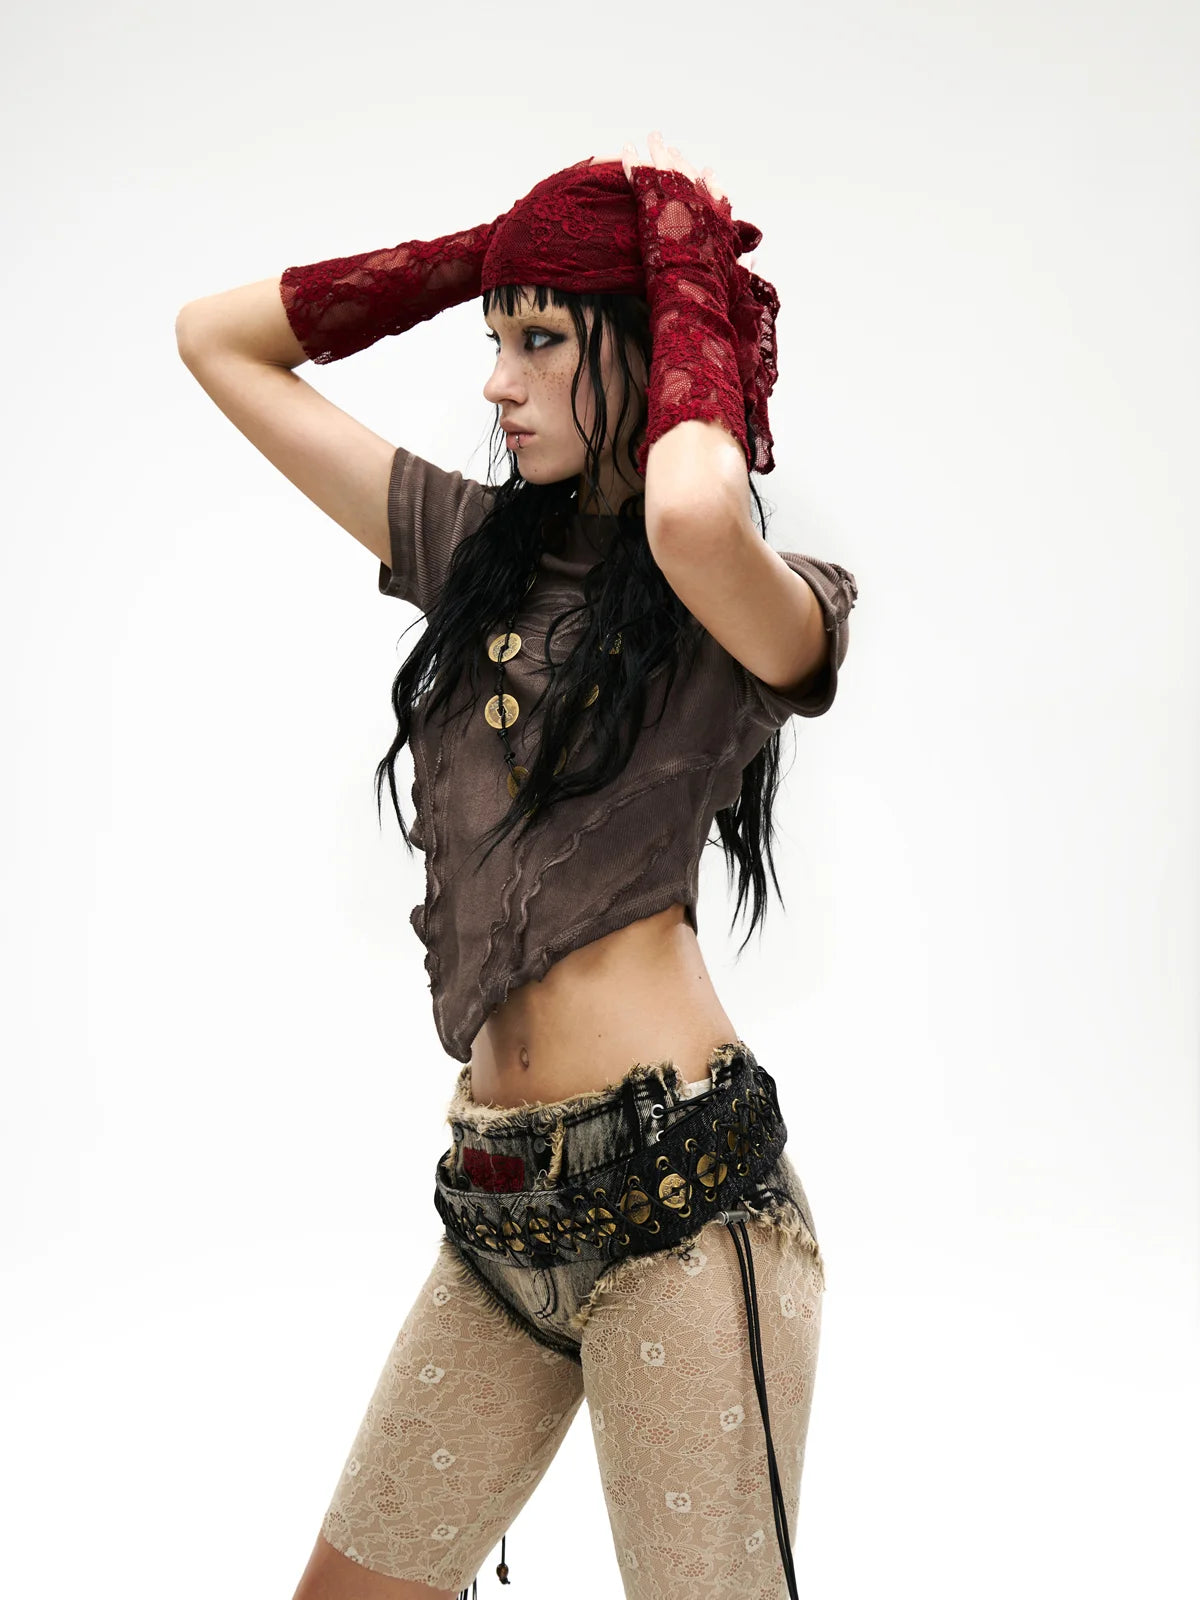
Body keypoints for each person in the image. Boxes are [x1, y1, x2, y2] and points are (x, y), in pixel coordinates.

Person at [176, 131, 858, 1600]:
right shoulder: (476, 550)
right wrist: (481, 258)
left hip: (684, 1213)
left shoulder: (758, 608)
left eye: (542, 341)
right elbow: (217, 342)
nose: (498, 383)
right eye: (495, 340)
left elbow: (690, 514)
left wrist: (679, 258)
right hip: (496, 1215)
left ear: (656, 358)